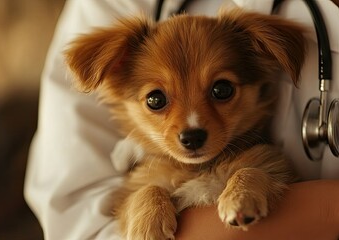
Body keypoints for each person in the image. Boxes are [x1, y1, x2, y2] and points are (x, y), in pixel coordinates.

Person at [24, 0, 339, 239]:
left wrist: (249, 183)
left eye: (221, 90)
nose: (193, 124)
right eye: (157, 100)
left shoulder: (259, 163)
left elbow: (268, 176)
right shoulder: (148, 180)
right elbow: (81, 219)